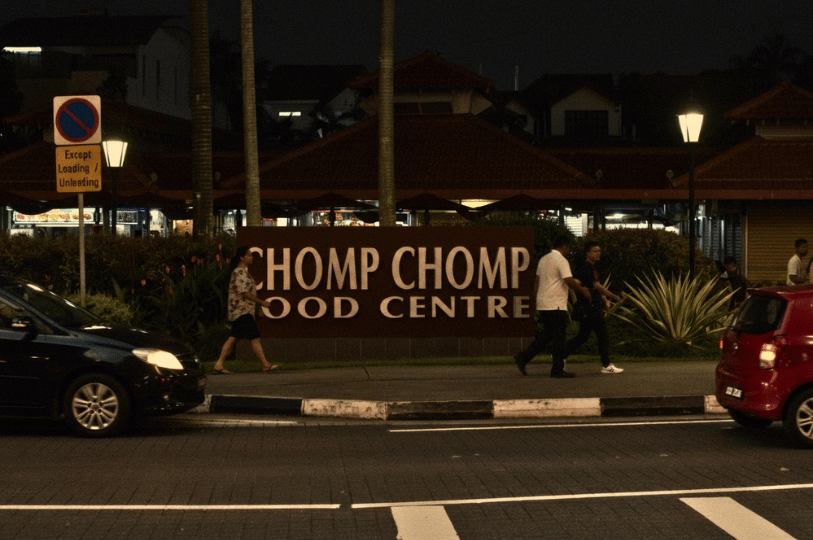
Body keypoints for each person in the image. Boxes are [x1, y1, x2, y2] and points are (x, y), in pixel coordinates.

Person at [514, 235, 591, 378]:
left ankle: (523, 358)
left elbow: (537, 280)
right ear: (565, 247)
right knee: (559, 338)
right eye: (568, 248)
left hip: (543, 303)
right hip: (556, 304)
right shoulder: (561, 260)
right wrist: (582, 290)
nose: (568, 251)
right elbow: (568, 280)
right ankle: (557, 369)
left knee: (547, 336)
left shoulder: (544, 259)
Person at [213, 246, 280, 374]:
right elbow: (244, 293)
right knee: (254, 337)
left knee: (233, 338)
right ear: (242, 258)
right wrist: (262, 303)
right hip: (242, 311)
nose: (251, 257)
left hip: (242, 311)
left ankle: (219, 364)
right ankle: (265, 364)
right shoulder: (239, 272)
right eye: (249, 255)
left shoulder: (243, 272)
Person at [561, 241, 624, 374]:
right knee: (602, 335)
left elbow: (593, 287)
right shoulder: (588, 267)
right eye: (595, 251)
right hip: (591, 307)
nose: (598, 254)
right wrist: (613, 296)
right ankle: (606, 365)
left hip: (589, 306)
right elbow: (596, 286)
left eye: (599, 251)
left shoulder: (590, 268)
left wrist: (604, 299)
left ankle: (561, 356)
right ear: (587, 253)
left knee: (583, 336)